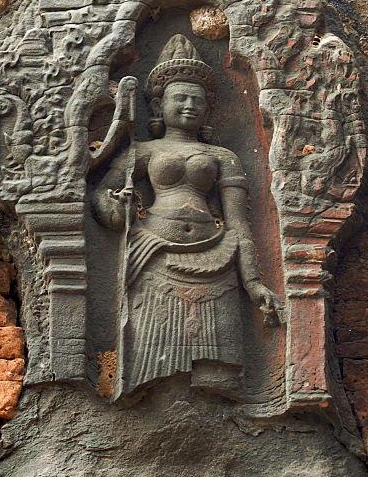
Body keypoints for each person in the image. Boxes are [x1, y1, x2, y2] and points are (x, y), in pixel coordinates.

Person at [93, 34, 284, 402]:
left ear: (208, 107)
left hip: (217, 254)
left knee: (218, 373)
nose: (189, 105)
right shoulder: (142, 151)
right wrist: (118, 206)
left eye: (197, 99)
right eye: (179, 97)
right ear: (158, 104)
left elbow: (239, 224)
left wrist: (254, 283)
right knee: (155, 361)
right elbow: (102, 195)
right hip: (155, 253)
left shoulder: (223, 156)